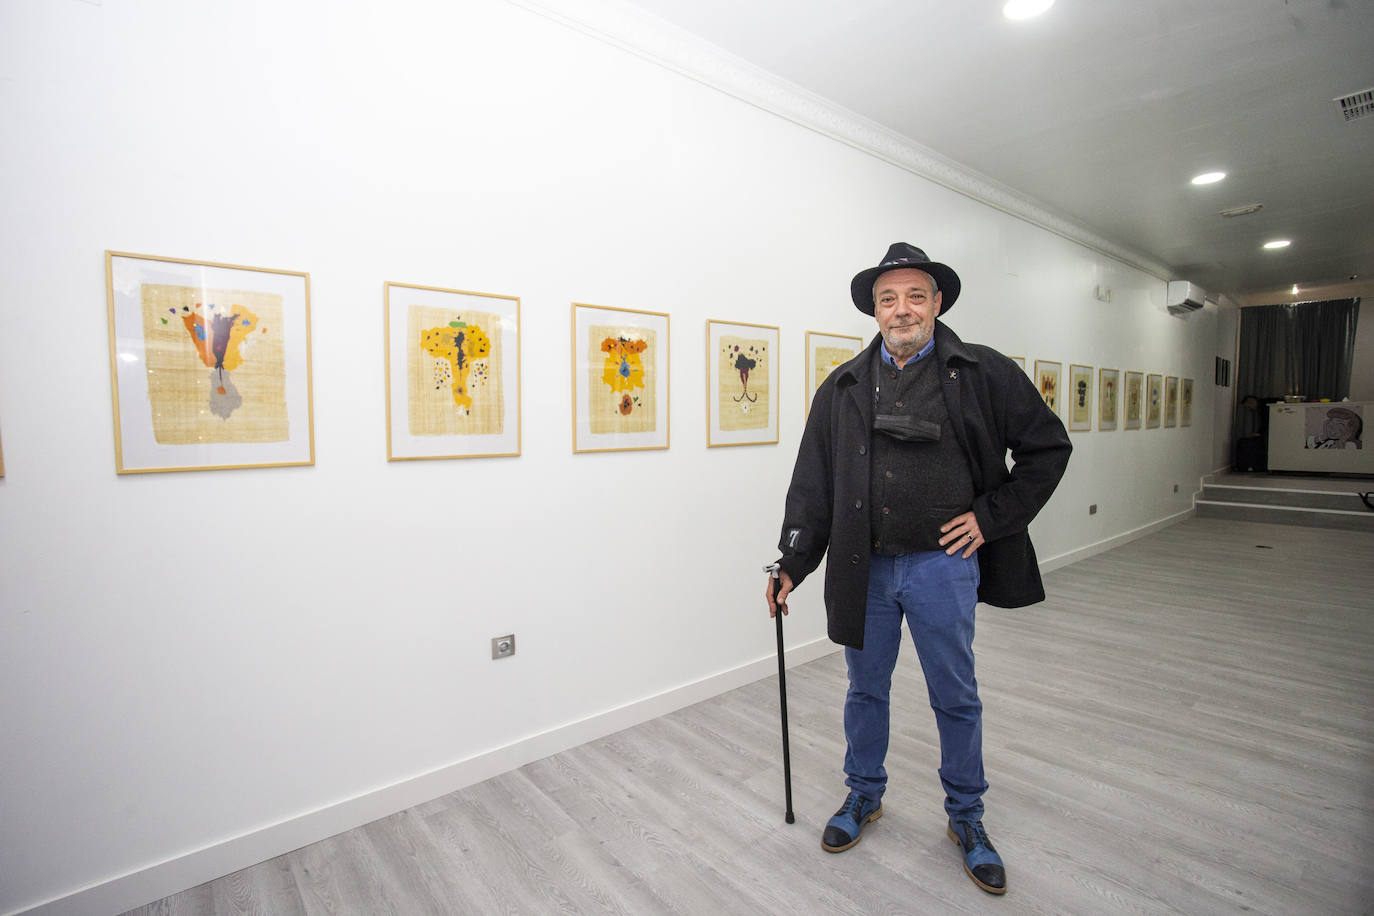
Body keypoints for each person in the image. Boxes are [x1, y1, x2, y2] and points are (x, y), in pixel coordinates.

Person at [765, 242, 1071, 895]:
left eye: (913, 295)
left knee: (955, 697)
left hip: (942, 567)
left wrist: (991, 519)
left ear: (936, 302)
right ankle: (863, 796)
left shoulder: (982, 372)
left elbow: (1048, 448)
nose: (900, 309)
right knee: (865, 691)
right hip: (864, 568)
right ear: (874, 310)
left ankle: (968, 817)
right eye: (887, 298)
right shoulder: (843, 387)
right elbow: (811, 487)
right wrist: (792, 562)